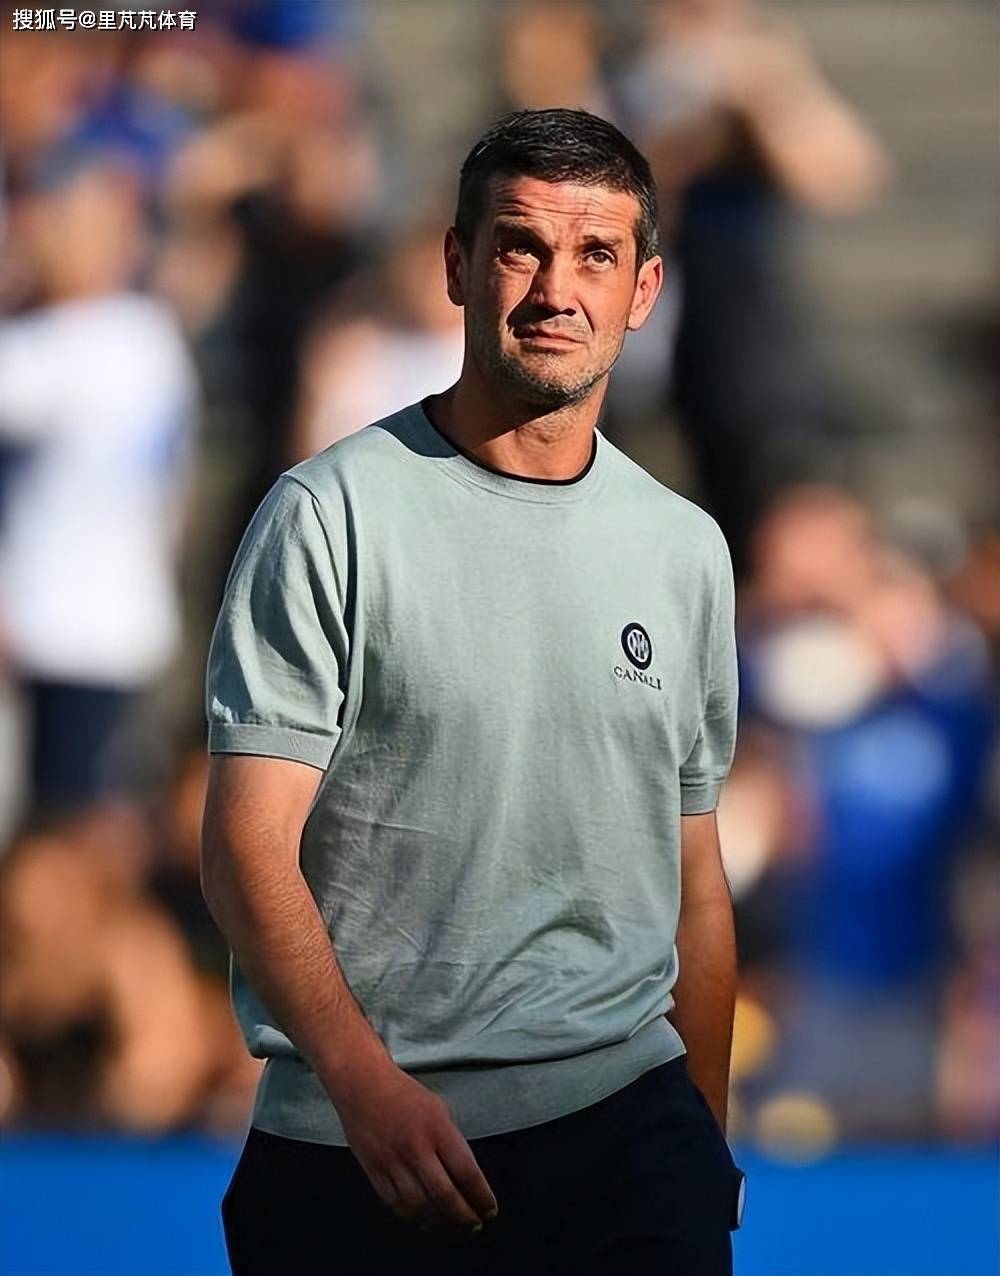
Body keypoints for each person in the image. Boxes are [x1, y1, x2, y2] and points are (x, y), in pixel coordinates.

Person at [202, 108, 745, 1276]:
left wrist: (704, 1137)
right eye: (520, 247)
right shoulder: (327, 515)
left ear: (643, 290)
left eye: (595, 255)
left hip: (629, 1140)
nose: (557, 289)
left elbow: (694, 876)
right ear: (457, 264)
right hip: (363, 1149)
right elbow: (246, 846)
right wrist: (362, 1086)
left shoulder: (685, 548)